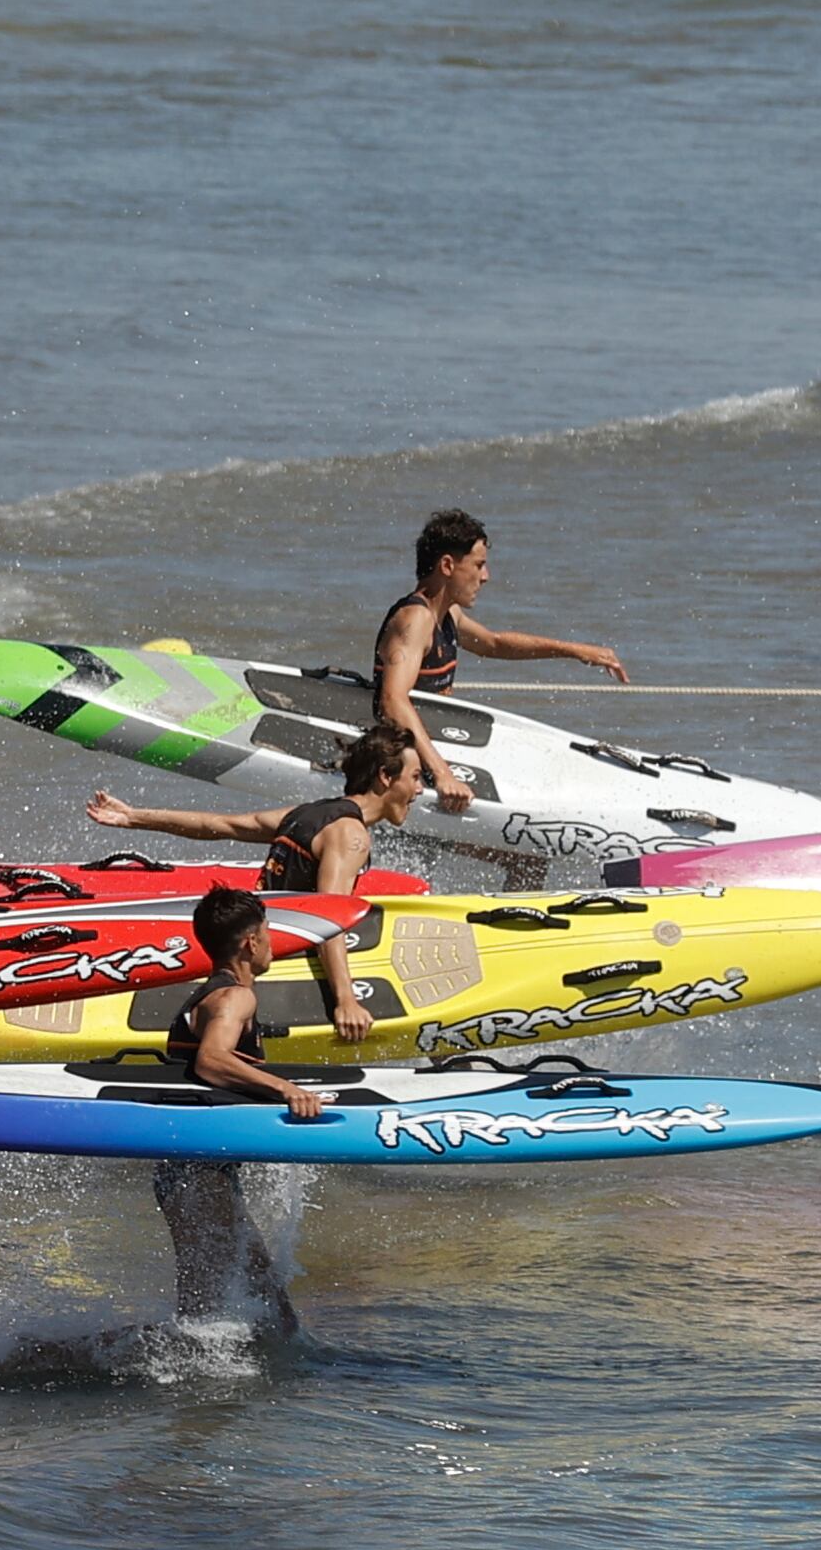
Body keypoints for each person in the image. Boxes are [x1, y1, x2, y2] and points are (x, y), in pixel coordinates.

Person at [84, 723, 429, 1039]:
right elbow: (327, 919)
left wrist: (135, 816)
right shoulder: (351, 836)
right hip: (273, 951)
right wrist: (346, 1000)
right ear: (385, 776)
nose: (419, 789)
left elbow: (218, 825)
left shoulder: (309, 813)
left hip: (256, 933)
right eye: (415, 777)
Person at [146, 886, 313, 1336]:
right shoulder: (236, 998)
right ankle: (53, 1357)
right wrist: (285, 1089)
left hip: (189, 1169)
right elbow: (212, 1059)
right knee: (267, 1315)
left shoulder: (207, 994)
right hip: (198, 1172)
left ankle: (172, 1387)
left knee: (209, 1307)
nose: (273, 943)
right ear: (250, 943)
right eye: (269, 933)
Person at [371, 509, 630, 795]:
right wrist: (442, 773)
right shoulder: (414, 620)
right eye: (479, 565)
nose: (486, 576)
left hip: (434, 741)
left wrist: (577, 650)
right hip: (400, 756)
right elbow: (392, 702)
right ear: (447, 565)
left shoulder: (447, 614)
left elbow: (493, 644)